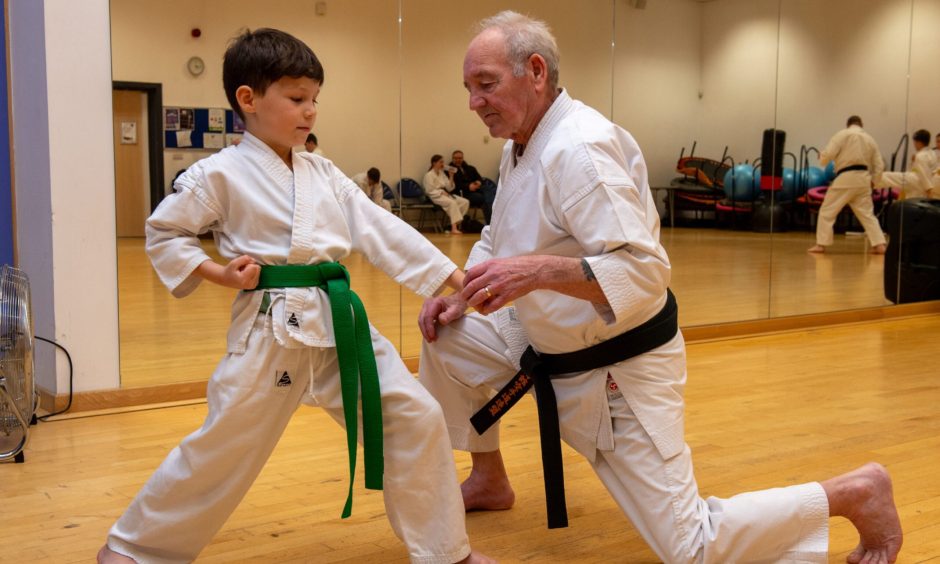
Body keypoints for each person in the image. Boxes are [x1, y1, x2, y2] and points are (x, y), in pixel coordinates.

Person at [418, 11, 902, 564]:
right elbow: (499, 237)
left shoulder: (577, 150)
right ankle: (490, 479)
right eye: (469, 88)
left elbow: (644, 274)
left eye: (486, 84)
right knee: (448, 336)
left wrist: (537, 272)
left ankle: (853, 493)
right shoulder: (522, 144)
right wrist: (461, 293)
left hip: (615, 368)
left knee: (689, 548)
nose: (474, 102)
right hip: (545, 339)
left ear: (535, 71)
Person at [97, 28, 492, 564]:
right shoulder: (217, 174)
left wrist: (456, 277)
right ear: (248, 99)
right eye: (297, 98)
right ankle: (134, 549)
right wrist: (219, 273)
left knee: (414, 416)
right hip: (270, 325)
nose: (310, 112)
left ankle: (446, 553)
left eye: (314, 100)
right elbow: (165, 234)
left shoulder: (321, 170)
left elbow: (378, 226)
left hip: (338, 321)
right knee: (226, 446)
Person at [808, 116, 888, 254]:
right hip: (863, 179)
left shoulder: (842, 134)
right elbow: (879, 164)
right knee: (867, 214)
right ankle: (879, 245)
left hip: (845, 178)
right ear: (861, 125)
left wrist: (822, 157)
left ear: (848, 124)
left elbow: (828, 155)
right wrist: (874, 181)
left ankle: (821, 244)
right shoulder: (870, 139)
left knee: (827, 211)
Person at [880, 129, 938, 199]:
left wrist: (929, 190)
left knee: (888, 176)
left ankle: (872, 180)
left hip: (919, 182)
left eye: (914, 142)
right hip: (928, 182)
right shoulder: (932, 153)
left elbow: (924, 174)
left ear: (918, 142)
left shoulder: (920, 156)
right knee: (891, 177)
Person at [423, 154, 469, 234]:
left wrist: (451, 176)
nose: (442, 164)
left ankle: (455, 223)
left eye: (443, 162)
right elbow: (429, 190)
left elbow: (449, 188)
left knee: (465, 202)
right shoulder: (429, 175)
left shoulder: (442, 173)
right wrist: (441, 192)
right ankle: (453, 228)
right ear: (434, 163)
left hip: (446, 194)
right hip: (435, 196)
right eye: (440, 162)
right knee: (452, 203)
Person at [450, 150, 497, 224]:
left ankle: (492, 221)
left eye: (460, 158)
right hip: (464, 192)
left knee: (488, 191)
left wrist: (478, 182)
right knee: (483, 199)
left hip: (477, 188)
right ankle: (491, 223)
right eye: (456, 158)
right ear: (452, 159)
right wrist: (468, 186)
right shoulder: (451, 170)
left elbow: (479, 178)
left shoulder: (470, 168)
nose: (458, 160)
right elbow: (454, 185)